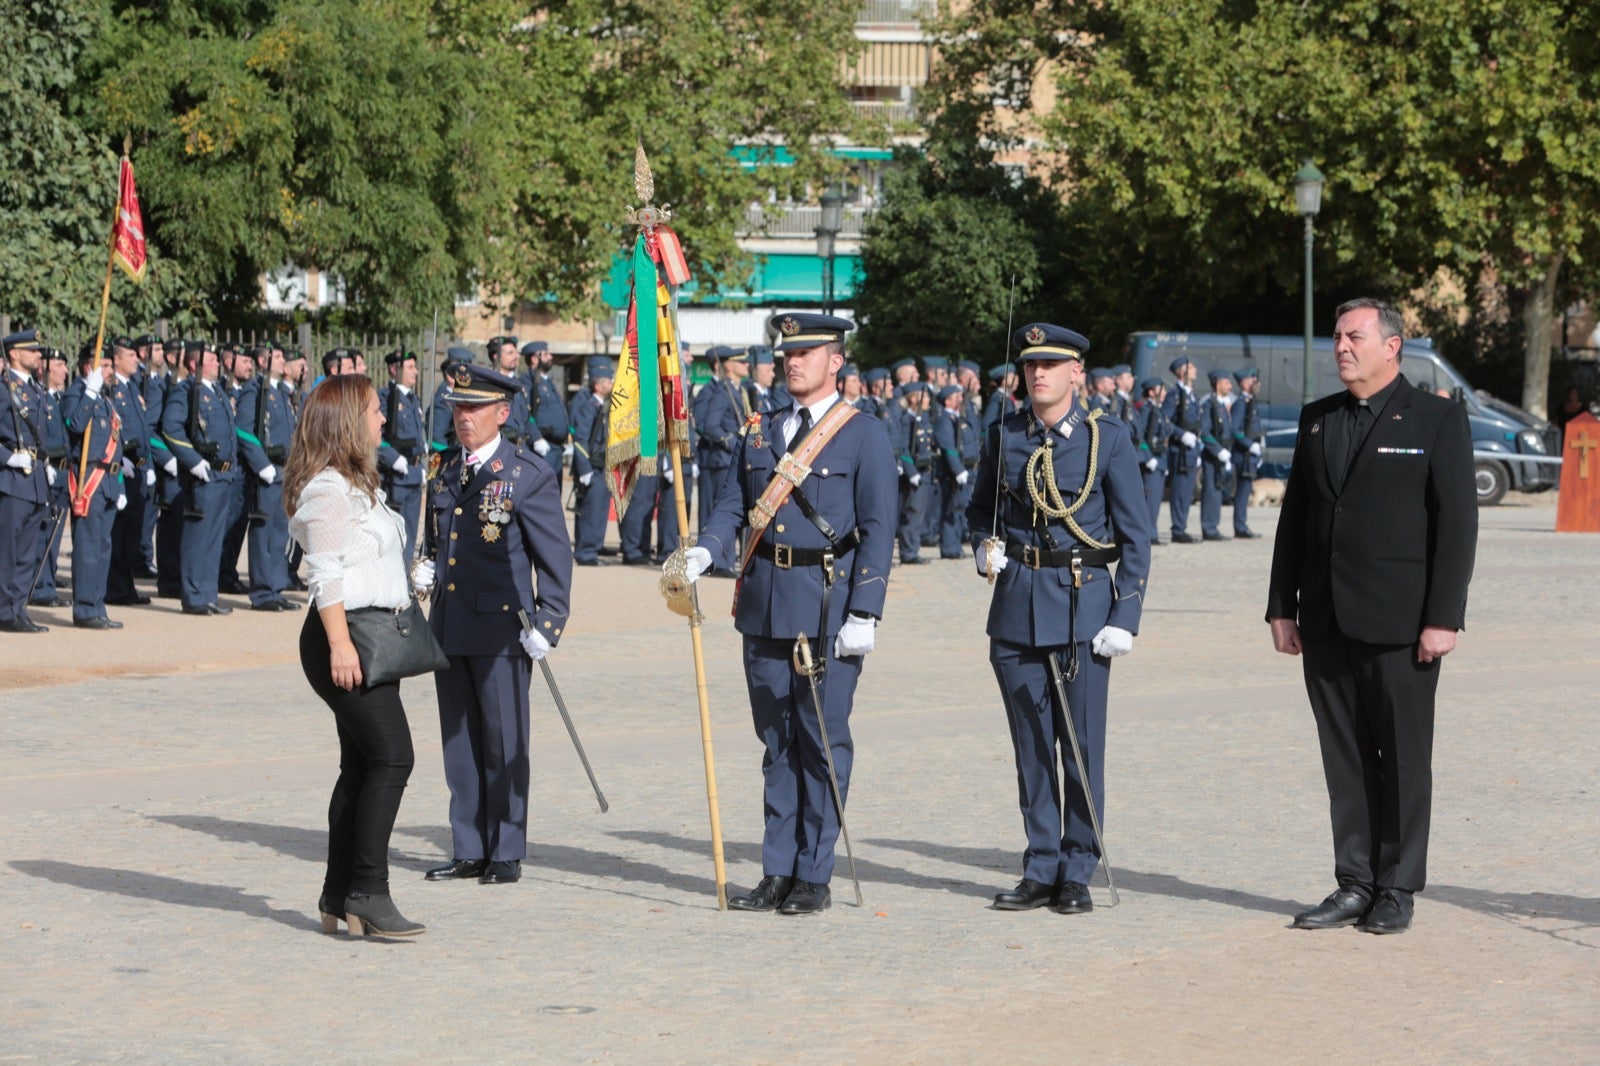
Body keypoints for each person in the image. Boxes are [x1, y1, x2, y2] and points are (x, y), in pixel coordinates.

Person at [674, 311, 896, 916]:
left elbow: (878, 531)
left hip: (827, 605)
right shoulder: (759, 430)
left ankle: (813, 873)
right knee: (776, 743)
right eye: (786, 352)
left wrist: (866, 611)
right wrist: (705, 549)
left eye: (807, 352)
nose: (791, 361)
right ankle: (776, 868)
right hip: (766, 602)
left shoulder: (863, 434)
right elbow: (732, 507)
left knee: (820, 741)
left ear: (835, 361)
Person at [1266, 298, 1477, 935]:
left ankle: (1397, 885)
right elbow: (1295, 522)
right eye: (1336, 337)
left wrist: (1444, 617)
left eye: (1353, 336)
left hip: (1401, 624)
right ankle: (1354, 881)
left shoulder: (1437, 419)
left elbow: (1457, 526)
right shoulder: (1317, 420)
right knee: (1346, 759)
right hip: (1326, 619)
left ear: (1393, 346)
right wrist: (1282, 605)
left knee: (1404, 758)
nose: (1340, 347)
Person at [965, 322, 1153, 915]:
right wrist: (982, 546)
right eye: (1029, 366)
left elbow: (1137, 535)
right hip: (1017, 607)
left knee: (1080, 748)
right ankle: (1040, 864)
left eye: (1050, 365)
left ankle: (1077, 868)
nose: (1037, 374)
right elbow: (978, 511)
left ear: (1077, 373)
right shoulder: (1004, 437)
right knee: (1031, 749)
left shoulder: (1108, 440)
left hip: (1082, 609)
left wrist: (1126, 614)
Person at [413, 363, 573, 886]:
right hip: (451, 623)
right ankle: (468, 845)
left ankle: (505, 847)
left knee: (504, 740)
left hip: (503, 627)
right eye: (458, 407)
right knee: (459, 741)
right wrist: (426, 562)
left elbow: (554, 558)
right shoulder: (443, 469)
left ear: (501, 413)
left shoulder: (527, 474)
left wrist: (548, 622)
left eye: (474, 408)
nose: (463, 417)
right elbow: (442, 538)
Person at [285, 374, 423, 937]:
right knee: (394, 757)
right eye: (372, 410)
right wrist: (340, 644)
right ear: (346, 421)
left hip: (368, 633)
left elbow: (364, 558)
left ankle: (338, 895)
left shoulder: (354, 484)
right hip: (346, 638)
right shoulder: (327, 490)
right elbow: (324, 572)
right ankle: (369, 890)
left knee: (363, 764)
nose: (382, 419)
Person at [159, 340, 241, 616]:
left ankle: (208, 594)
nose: (218, 363)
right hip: (203, 475)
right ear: (194, 364)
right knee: (197, 538)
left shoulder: (216, 392)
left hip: (223, 475)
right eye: (212, 360)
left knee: (213, 538)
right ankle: (194, 596)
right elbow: (170, 428)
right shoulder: (186, 391)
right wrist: (193, 462)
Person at [59, 344, 128, 629]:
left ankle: (97, 606)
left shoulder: (104, 398)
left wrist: (120, 485)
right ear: (90, 367)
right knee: (87, 548)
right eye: (106, 366)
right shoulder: (78, 393)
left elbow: (116, 446)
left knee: (102, 548)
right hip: (89, 480)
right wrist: (89, 391)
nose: (111, 372)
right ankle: (85, 609)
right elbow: (75, 424)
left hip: (109, 481)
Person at [236, 345, 298, 611]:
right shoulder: (255, 391)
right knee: (263, 533)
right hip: (267, 471)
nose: (284, 361)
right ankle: (262, 592)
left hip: (284, 471)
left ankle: (275, 587)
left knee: (279, 533)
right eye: (279, 357)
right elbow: (244, 430)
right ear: (264, 360)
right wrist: (261, 464)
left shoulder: (280, 393)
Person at [1, 330, 52, 633]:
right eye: (30, 350)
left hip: (34, 479)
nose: (38, 354)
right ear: (13, 354)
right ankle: (4, 610)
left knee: (26, 552)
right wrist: (7, 458)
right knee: (6, 550)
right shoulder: (4, 389)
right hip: (12, 477)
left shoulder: (35, 390)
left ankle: (18, 608)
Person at [102, 336, 154, 607]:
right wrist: (120, 459)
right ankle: (115, 588)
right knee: (118, 534)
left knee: (132, 535)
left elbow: (145, 430)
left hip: (140, 470)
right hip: (123, 468)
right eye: (130, 356)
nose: (136, 360)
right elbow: (113, 428)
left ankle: (126, 585)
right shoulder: (111, 389)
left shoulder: (132, 387)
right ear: (117, 360)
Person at [30, 349, 72, 609]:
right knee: (42, 532)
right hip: (47, 468)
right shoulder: (38, 396)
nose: (65, 370)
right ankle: (39, 586)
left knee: (54, 534)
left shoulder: (59, 398)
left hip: (62, 472)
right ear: (44, 368)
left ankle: (47, 582)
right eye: (59, 364)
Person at [376, 350, 426, 558]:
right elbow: (376, 436)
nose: (415, 372)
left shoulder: (413, 399)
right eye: (410, 367)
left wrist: (421, 467)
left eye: (415, 366)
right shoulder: (385, 397)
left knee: (410, 534)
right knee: (392, 536)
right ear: (394, 370)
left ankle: (405, 582)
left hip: (413, 473)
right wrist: (392, 457)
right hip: (394, 476)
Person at [570, 357, 614, 565]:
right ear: (598, 385)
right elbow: (580, 440)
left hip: (602, 465)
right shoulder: (588, 406)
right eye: (608, 381)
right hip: (592, 467)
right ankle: (586, 552)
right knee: (591, 511)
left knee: (600, 509)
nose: (611, 384)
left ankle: (593, 547)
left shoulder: (602, 405)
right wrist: (584, 468)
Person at [1162, 356, 1204, 544]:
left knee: (1187, 491)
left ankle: (1182, 527)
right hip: (1180, 451)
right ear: (1181, 371)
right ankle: (1178, 529)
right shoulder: (1175, 394)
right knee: (1180, 491)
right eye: (1191, 366)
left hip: (1191, 450)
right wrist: (1180, 435)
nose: (1195, 369)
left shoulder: (1190, 394)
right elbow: (1164, 420)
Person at [522, 341, 569, 491]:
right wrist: (536, 437)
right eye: (546, 354)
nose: (551, 356)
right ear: (535, 358)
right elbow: (525, 412)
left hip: (556, 448)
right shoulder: (527, 381)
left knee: (555, 493)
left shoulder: (548, 382)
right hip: (542, 447)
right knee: (543, 493)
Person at [1197, 368, 1236, 542]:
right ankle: (1209, 527)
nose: (1230, 386)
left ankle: (1213, 526)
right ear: (1219, 384)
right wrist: (1218, 450)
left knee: (1217, 491)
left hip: (1222, 453)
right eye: (1227, 383)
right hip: (1213, 455)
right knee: (1211, 491)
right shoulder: (1209, 405)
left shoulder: (1221, 405)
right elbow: (1204, 432)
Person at [1131, 377, 1171, 541]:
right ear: (1151, 392)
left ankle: (1151, 531)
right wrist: (1148, 457)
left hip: (1160, 459)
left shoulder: (1157, 409)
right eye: (1161, 389)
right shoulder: (1146, 410)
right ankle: (1148, 533)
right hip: (1152, 461)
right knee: (1150, 500)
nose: (1164, 393)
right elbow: (1142, 436)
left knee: (1155, 500)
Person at [1229, 368, 1264, 538]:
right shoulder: (1240, 403)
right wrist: (1250, 445)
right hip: (1243, 454)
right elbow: (1234, 430)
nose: (1256, 382)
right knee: (1243, 491)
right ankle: (1240, 526)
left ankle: (1242, 524)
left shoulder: (1250, 402)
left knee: (1246, 489)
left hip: (1250, 454)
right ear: (1244, 383)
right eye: (1252, 379)